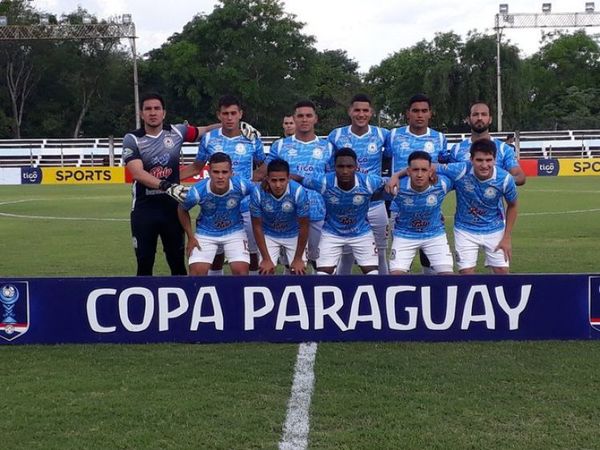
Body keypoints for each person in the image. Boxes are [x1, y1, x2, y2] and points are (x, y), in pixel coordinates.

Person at [122, 92, 219, 276]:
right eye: (148, 109)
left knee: (177, 263)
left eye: (157, 108)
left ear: (164, 113)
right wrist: (166, 185)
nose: (153, 113)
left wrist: (235, 126)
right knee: (144, 263)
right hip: (144, 209)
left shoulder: (177, 132)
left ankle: (182, 303)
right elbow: (137, 173)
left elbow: (205, 130)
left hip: (172, 209)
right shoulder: (132, 139)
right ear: (142, 114)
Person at [180, 94, 266, 275]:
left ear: (240, 114)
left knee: (250, 254)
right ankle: (216, 286)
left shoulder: (251, 138)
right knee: (216, 257)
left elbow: (263, 167)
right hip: (215, 207)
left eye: (233, 113)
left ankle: (248, 290)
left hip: (244, 206)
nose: (229, 117)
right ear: (219, 115)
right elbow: (197, 167)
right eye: (225, 113)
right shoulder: (209, 139)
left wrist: (248, 184)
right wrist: (168, 180)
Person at [293, 148, 385, 275]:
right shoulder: (324, 181)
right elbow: (300, 179)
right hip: (331, 233)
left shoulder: (369, 182)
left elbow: (390, 183)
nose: (345, 171)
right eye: (340, 167)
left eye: (349, 166)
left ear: (356, 167)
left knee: (373, 275)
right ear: (334, 167)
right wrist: (275, 178)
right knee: (322, 275)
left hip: (361, 233)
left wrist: (394, 180)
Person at [384, 93, 449, 274]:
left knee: (430, 258)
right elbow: (384, 159)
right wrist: (394, 176)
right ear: (408, 113)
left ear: (430, 114)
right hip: (399, 205)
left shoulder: (439, 138)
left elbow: (443, 168)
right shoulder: (393, 135)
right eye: (415, 111)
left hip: (430, 204)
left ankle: (429, 296)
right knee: (401, 260)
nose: (420, 115)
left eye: (424, 111)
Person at [267, 100, 333, 271]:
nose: (304, 120)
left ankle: (318, 296)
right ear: (294, 119)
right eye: (300, 116)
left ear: (315, 119)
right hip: (288, 213)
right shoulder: (280, 146)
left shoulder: (327, 147)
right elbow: (267, 175)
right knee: (293, 265)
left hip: (318, 212)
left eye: (308, 116)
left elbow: (332, 182)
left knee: (320, 262)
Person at [328, 93, 390, 274]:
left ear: (371, 113)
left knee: (380, 252)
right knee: (347, 253)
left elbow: (391, 160)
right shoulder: (336, 135)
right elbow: (329, 167)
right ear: (350, 111)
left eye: (365, 110)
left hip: (375, 203)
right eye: (357, 110)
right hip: (346, 203)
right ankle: (341, 293)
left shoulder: (382, 134)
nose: (361, 114)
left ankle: (383, 291)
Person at [437, 138, 518, 274]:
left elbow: (513, 206)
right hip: (465, 229)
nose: (484, 165)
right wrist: (397, 175)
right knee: (466, 274)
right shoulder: (460, 169)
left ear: (495, 159)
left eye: (488, 160)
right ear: (471, 159)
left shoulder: (505, 179)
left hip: (495, 229)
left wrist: (507, 237)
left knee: (502, 272)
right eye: (479, 160)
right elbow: (430, 167)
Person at [177, 153, 253, 276]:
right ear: (209, 172)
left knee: (241, 273)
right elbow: (182, 209)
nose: (220, 176)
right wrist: (191, 237)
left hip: (234, 231)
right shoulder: (197, 191)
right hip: (205, 233)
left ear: (231, 172)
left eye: (224, 172)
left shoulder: (242, 185)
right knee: (196, 275)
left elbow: (260, 195)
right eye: (216, 172)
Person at [387, 151, 454, 275]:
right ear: (408, 171)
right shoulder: (396, 187)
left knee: (447, 277)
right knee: (395, 276)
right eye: (415, 170)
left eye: (424, 170)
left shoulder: (443, 184)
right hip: (404, 235)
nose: (419, 174)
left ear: (430, 171)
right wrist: (396, 175)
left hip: (435, 235)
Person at [250, 159, 310, 275]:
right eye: (274, 180)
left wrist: (298, 259)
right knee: (265, 271)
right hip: (269, 234)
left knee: (298, 271)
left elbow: (304, 226)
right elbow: (257, 226)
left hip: (294, 233)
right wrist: (266, 259)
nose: (278, 185)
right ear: (267, 179)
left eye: (282, 180)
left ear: (288, 178)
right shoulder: (257, 193)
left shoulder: (298, 192)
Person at [447, 102, 526, 186]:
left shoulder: (504, 149)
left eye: (484, 114)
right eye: (475, 114)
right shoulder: (456, 149)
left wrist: (498, 180)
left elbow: (520, 177)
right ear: (469, 120)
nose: (480, 118)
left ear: (490, 119)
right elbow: (449, 179)